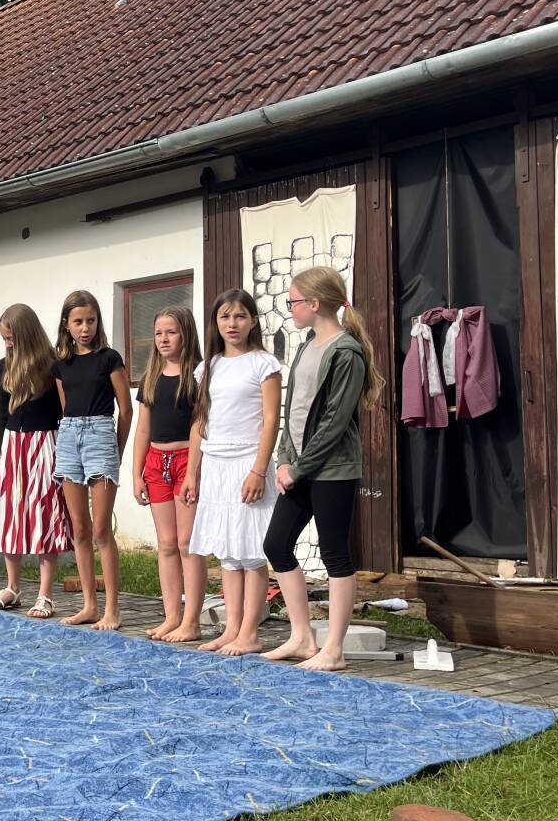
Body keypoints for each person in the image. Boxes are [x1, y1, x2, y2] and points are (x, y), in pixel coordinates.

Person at [261, 266, 384, 671]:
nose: (290, 308)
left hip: (332, 471)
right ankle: (302, 638)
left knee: (334, 553)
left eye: (293, 301)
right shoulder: (306, 347)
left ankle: (334, 649)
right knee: (276, 545)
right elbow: (293, 410)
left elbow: (334, 421)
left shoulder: (346, 352)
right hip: (298, 467)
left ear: (314, 304)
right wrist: (283, 458)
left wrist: (299, 469)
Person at [180, 290, 282, 654]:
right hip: (215, 465)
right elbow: (201, 421)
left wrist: (258, 470)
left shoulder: (263, 364)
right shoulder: (208, 367)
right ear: (216, 322)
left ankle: (250, 632)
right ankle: (232, 627)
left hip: (247, 463)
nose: (232, 323)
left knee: (250, 550)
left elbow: (271, 419)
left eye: (239, 316)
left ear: (252, 321)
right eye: (225, 317)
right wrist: (192, 472)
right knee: (227, 551)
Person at [51, 289, 131, 630]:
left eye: (91, 321)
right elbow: (65, 408)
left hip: (101, 434)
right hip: (69, 436)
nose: (85, 328)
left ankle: (113, 609)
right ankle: (89, 605)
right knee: (79, 528)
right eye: (78, 322)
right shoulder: (60, 365)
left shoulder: (109, 358)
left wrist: (117, 451)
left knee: (101, 528)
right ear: (67, 325)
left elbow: (125, 410)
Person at [0, 303, 72, 618]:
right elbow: (2, 411)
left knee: (44, 511)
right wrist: (0, 451)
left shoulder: (52, 364)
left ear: (26, 334)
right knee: (9, 510)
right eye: (4, 339)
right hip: (13, 444)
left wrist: (63, 452)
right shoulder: (4, 364)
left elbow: (63, 411)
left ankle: (45, 594)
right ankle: (13, 587)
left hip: (44, 443)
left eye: (11, 338)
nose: (7, 344)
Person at [132, 305, 206, 642]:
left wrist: (192, 471)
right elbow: (142, 429)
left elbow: (199, 424)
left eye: (171, 332)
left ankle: (192, 620)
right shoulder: (151, 376)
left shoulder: (198, 375)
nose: (163, 339)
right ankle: (172, 615)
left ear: (185, 334)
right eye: (158, 333)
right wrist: (136, 473)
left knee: (187, 542)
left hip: (185, 460)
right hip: (155, 463)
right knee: (165, 544)